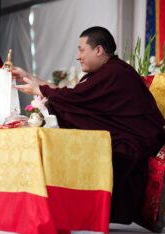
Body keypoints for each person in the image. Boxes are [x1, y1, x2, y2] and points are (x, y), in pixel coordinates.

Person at [13, 26, 165, 224]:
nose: (77, 56)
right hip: (124, 134)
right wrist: (33, 80)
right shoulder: (108, 70)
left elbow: (75, 98)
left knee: (92, 150)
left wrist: (40, 90)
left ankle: (85, 213)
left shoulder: (116, 73)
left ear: (99, 50)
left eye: (81, 49)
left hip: (135, 140)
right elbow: (73, 95)